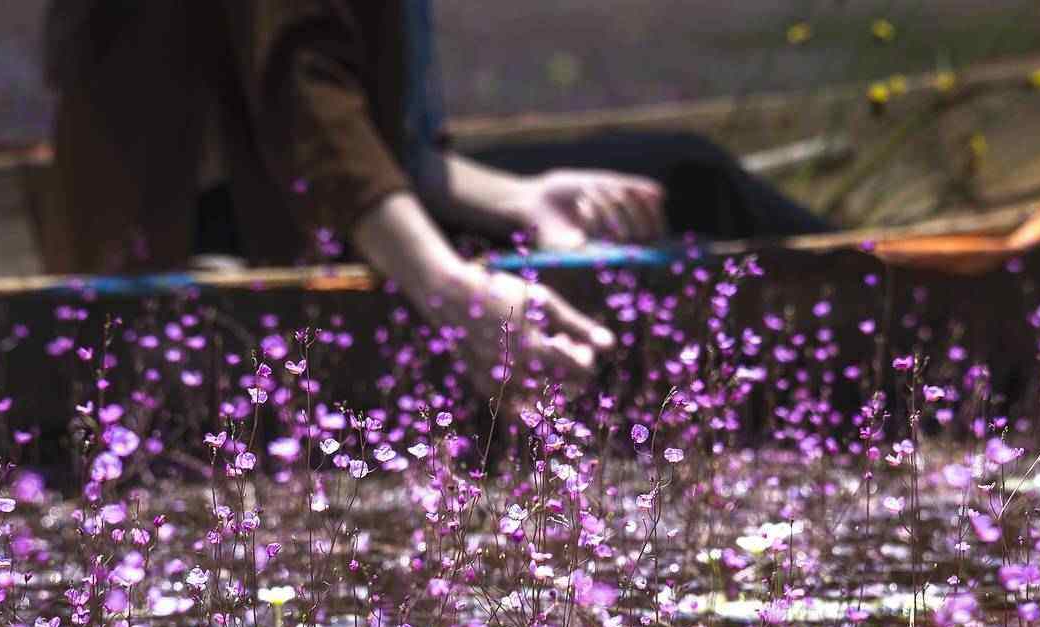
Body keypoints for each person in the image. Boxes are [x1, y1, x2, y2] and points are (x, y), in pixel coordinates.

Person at [44, 2, 829, 392]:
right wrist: (456, 295)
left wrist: (518, 199)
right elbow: (302, 108)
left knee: (683, 177)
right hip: (240, 220)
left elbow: (376, 144)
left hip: (304, 197)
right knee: (695, 188)